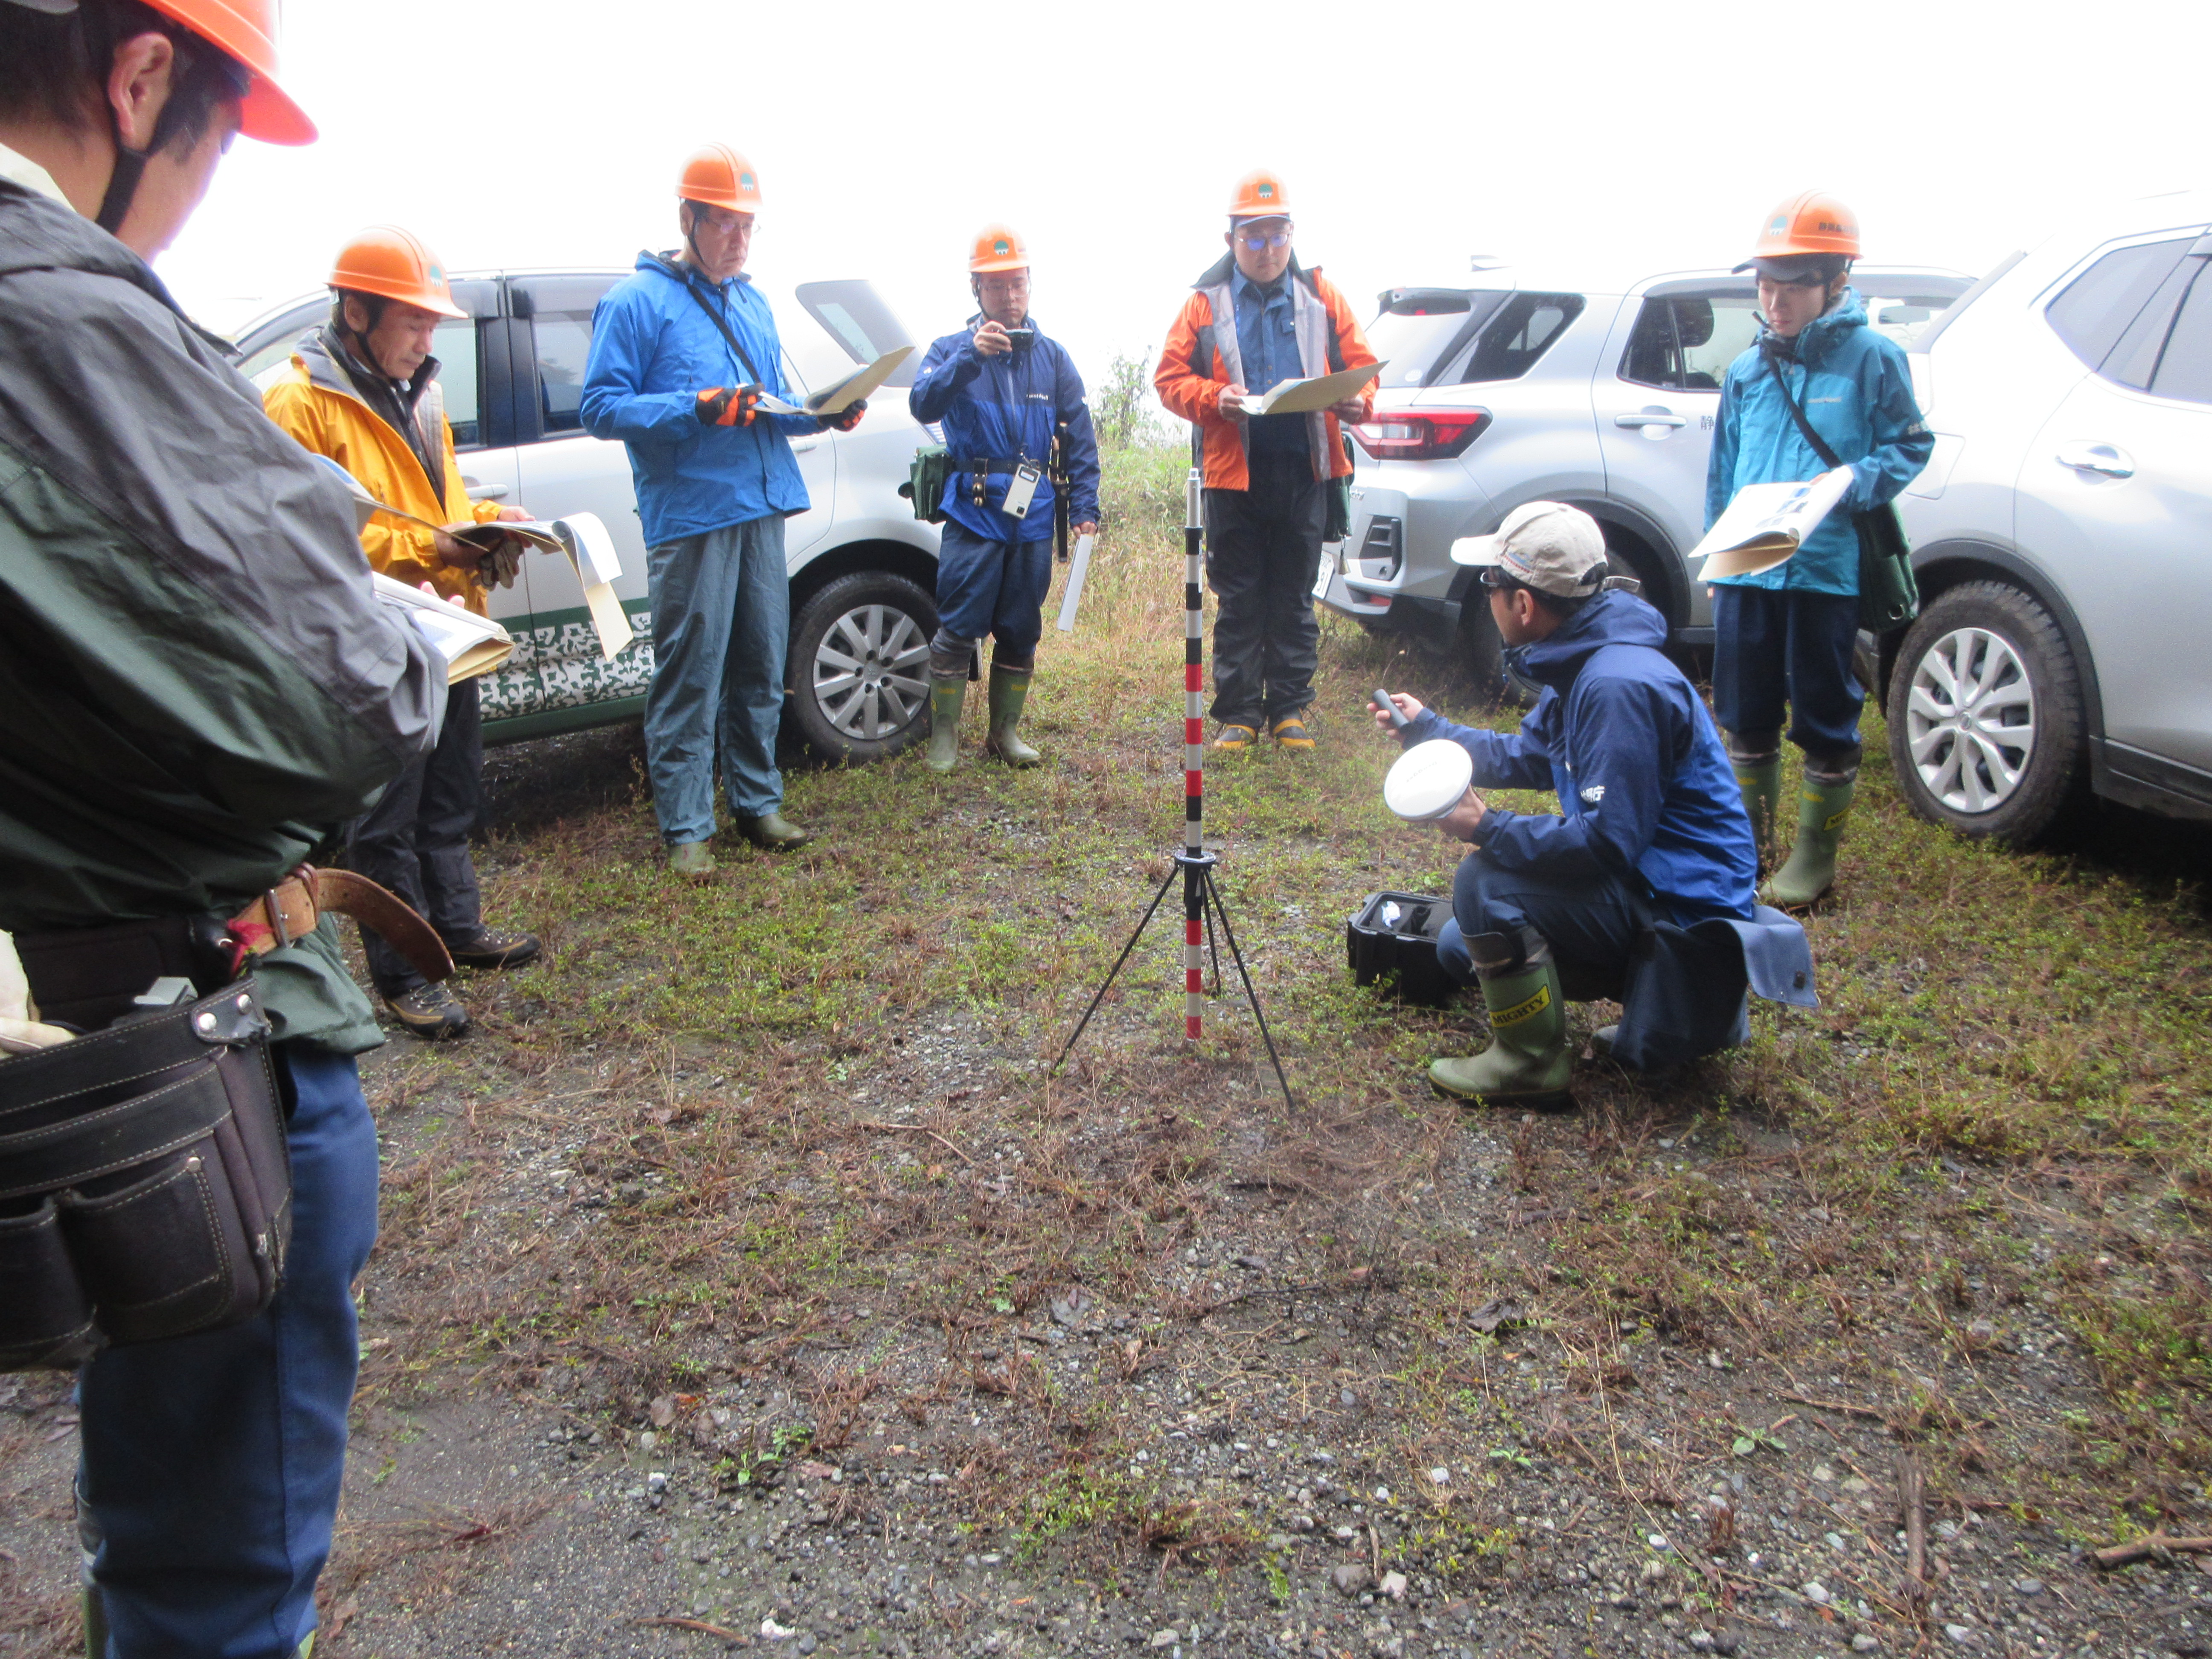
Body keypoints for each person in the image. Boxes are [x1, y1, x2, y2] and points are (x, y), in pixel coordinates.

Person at [0, 3, 443, 1654]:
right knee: (212, 1574)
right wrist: (402, 627)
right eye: (207, 153)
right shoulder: (64, 313)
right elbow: (338, 698)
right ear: (138, 83)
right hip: (155, 1054)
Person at [1371, 503, 1810, 1107]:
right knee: (1458, 946)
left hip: (1685, 920)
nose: (1488, 596)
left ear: (1523, 605)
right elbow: (1531, 755)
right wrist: (1430, 729)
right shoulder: (1588, 660)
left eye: (1489, 584)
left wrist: (1488, 827)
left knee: (1483, 885)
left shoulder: (1616, 688)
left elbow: (1606, 844)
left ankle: (1531, 1064)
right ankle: (1637, 1005)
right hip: (1655, 890)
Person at [262, 225, 543, 1039]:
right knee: (385, 816)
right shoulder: (298, 403)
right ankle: (404, 974)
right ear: (355, 309)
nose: (428, 339)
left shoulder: (421, 390)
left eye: (432, 325)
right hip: (371, 640)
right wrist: (432, 545)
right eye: (414, 322)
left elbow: (434, 503)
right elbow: (307, 540)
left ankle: (456, 929)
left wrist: (492, 522)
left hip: (447, 629)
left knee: (451, 796)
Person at [580, 144, 864, 876]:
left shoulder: (754, 303)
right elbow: (601, 408)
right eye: (725, 225)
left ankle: (757, 802)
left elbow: (767, 407)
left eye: (748, 227)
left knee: (762, 663)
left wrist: (823, 416)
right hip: (693, 513)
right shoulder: (636, 302)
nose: (739, 240)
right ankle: (686, 828)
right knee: (691, 670)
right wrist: (694, 407)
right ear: (688, 218)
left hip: (761, 508)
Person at [1706, 190, 1932, 906]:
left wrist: (1858, 479)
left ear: (1836, 280)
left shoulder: (1873, 358)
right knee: (1744, 712)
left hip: (1824, 569)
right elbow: (1724, 470)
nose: (1777, 299)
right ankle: (1753, 848)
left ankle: (1812, 864)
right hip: (1748, 568)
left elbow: (1911, 444)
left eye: (1796, 282)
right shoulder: (1747, 371)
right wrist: (1719, 561)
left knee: (1825, 714)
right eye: (1767, 283)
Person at [1155, 168, 1378, 752]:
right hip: (1235, 478)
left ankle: (1289, 711)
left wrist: (1359, 403)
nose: (1267, 249)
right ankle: (1238, 716)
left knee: (1294, 597)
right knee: (1239, 597)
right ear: (1231, 239)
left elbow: (1362, 367)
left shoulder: (1322, 297)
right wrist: (1214, 399)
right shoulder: (1203, 305)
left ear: (1292, 234)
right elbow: (1169, 379)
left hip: (1306, 472)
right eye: (1254, 237)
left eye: (1277, 235)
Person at [908, 223, 1101, 773]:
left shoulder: (1054, 357)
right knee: (958, 625)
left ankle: (1004, 734)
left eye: (1017, 285)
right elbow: (923, 403)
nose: (1009, 298)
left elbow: (1081, 437)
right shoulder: (950, 349)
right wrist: (970, 357)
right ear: (976, 290)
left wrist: (1085, 508)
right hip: (974, 508)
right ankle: (943, 738)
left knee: (1021, 626)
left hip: (1035, 512)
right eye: (996, 287)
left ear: (1030, 285)